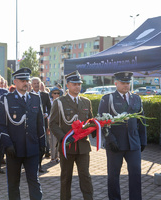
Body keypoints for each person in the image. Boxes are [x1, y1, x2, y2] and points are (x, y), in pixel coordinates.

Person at [0, 68, 46, 200]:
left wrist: (43, 144)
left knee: (34, 181)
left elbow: (40, 124)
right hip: (14, 149)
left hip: (32, 148)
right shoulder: (7, 99)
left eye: (27, 80)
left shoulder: (35, 99)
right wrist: (7, 145)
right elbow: (1, 124)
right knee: (13, 183)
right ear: (15, 82)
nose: (26, 83)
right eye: (23, 81)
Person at [98, 71, 147, 200]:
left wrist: (143, 140)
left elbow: (141, 120)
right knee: (113, 176)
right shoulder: (107, 99)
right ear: (116, 83)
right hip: (115, 144)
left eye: (128, 83)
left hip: (133, 143)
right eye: (123, 83)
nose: (126, 85)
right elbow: (102, 122)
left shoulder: (136, 98)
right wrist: (110, 139)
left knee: (136, 175)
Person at [49, 70, 94, 200]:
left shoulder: (86, 102)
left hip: (83, 147)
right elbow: (52, 124)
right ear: (67, 85)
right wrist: (64, 138)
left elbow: (90, 121)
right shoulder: (59, 102)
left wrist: (98, 128)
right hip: (67, 147)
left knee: (85, 176)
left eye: (79, 84)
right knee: (66, 177)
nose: (77, 87)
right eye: (74, 84)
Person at [31, 77, 51, 172]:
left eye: (37, 83)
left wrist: (47, 114)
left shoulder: (45, 95)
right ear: (31, 84)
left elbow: (50, 108)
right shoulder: (28, 95)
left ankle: (39, 164)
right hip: (32, 125)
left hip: (43, 124)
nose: (36, 85)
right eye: (34, 83)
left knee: (43, 146)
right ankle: (32, 165)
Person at [48, 87, 63, 163]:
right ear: (51, 94)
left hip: (61, 124)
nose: (56, 95)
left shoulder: (62, 102)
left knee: (59, 141)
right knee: (53, 141)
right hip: (52, 123)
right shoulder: (50, 102)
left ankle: (58, 156)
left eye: (58, 93)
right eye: (55, 93)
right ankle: (53, 157)